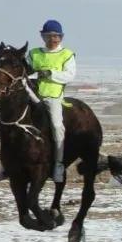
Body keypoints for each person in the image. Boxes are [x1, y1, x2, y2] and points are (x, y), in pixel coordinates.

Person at [27, 19, 76, 183]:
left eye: (55, 36)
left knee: (56, 126)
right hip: (32, 95)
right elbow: (25, 72)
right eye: (48, 36)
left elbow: (70, 75)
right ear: (43, 37)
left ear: (60, 38)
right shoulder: (34, 53)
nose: (52, 40)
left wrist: (50, 74)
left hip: (53, 97)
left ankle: (58, 165)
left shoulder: (66, 54)